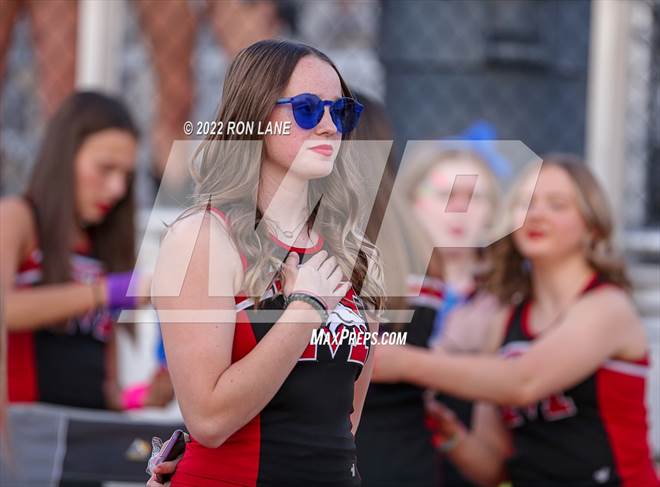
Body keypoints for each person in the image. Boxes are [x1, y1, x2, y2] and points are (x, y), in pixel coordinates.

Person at [149, 39, 383, 486]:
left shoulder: (352, 252)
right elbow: (209, 421)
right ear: (255, 116)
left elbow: (342, 421)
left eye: (341, 112)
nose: (329, 127)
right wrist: (305, 312)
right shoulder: (202, 238)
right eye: (308, 109)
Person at [374, 156, 660, 487]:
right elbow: (495, 468)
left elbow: (523, 382)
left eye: (557, 204)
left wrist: (402, 361)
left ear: (593, 226)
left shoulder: (607, 306)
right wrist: (450, 435)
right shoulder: (505, 318)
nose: (536, 215)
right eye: (525, 204)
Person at [1, 91, 150, 411]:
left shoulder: (104, 246)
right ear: (65, 157)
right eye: (105, 169)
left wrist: (143, 397)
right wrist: (105, 292)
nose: (118, 189)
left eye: (126, 176)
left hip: (85, 433)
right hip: (28, 429)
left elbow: (106, 392)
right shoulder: (18, 218)